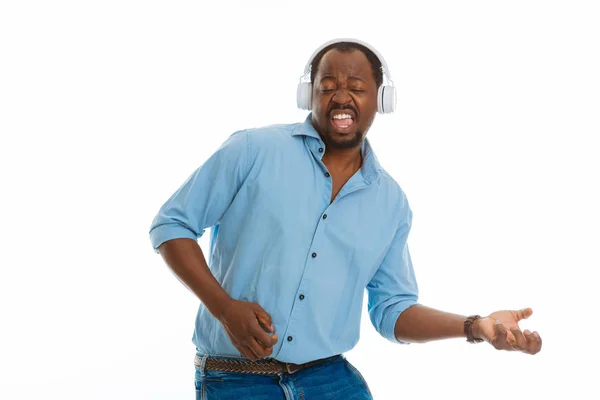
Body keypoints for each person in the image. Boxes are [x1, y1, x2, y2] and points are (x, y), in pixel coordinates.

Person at [148, 38, 542, 400]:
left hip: (331, 381)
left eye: (356, 87)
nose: (341, 97)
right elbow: (172, 224)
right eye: (327, 85)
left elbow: (393, 311)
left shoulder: (390, 202)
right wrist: (223, 307)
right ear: (309, 95)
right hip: (236, 379)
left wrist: (476, 326)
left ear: (381, 100)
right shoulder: (253, 150)